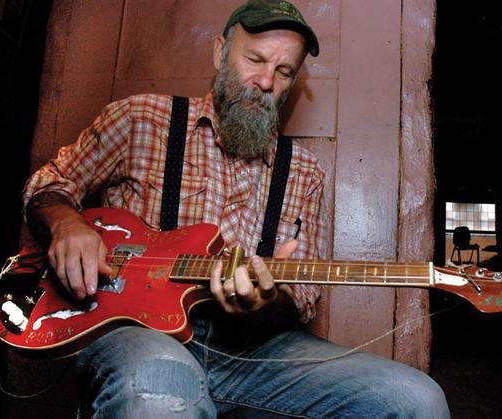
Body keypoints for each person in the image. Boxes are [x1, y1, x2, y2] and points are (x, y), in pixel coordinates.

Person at [22, 0, 450, 417]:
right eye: (255, 59)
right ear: (219, 53)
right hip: (136, 333)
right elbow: (48, 183)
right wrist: (65, 222)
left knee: (417, 399)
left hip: (252, 354)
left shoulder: (304, 172)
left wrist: (266, 302)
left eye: (284, 71)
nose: (265, 81)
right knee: (161, 398)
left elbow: (299, 299)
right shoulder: (140, 118)